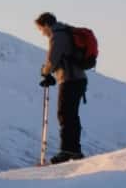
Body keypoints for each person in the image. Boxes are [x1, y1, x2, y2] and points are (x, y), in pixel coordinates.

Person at [34, 11, 88, 163]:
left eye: (41, 29)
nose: (42, 33)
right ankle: (74, 149)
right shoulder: (65, 32)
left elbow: (53, 59)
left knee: (64, 113)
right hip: (77, 78)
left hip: (70, 79)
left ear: (46, 25)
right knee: (71, 114)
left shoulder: (57, 36)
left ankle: (67, 150)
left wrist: (45, 72)